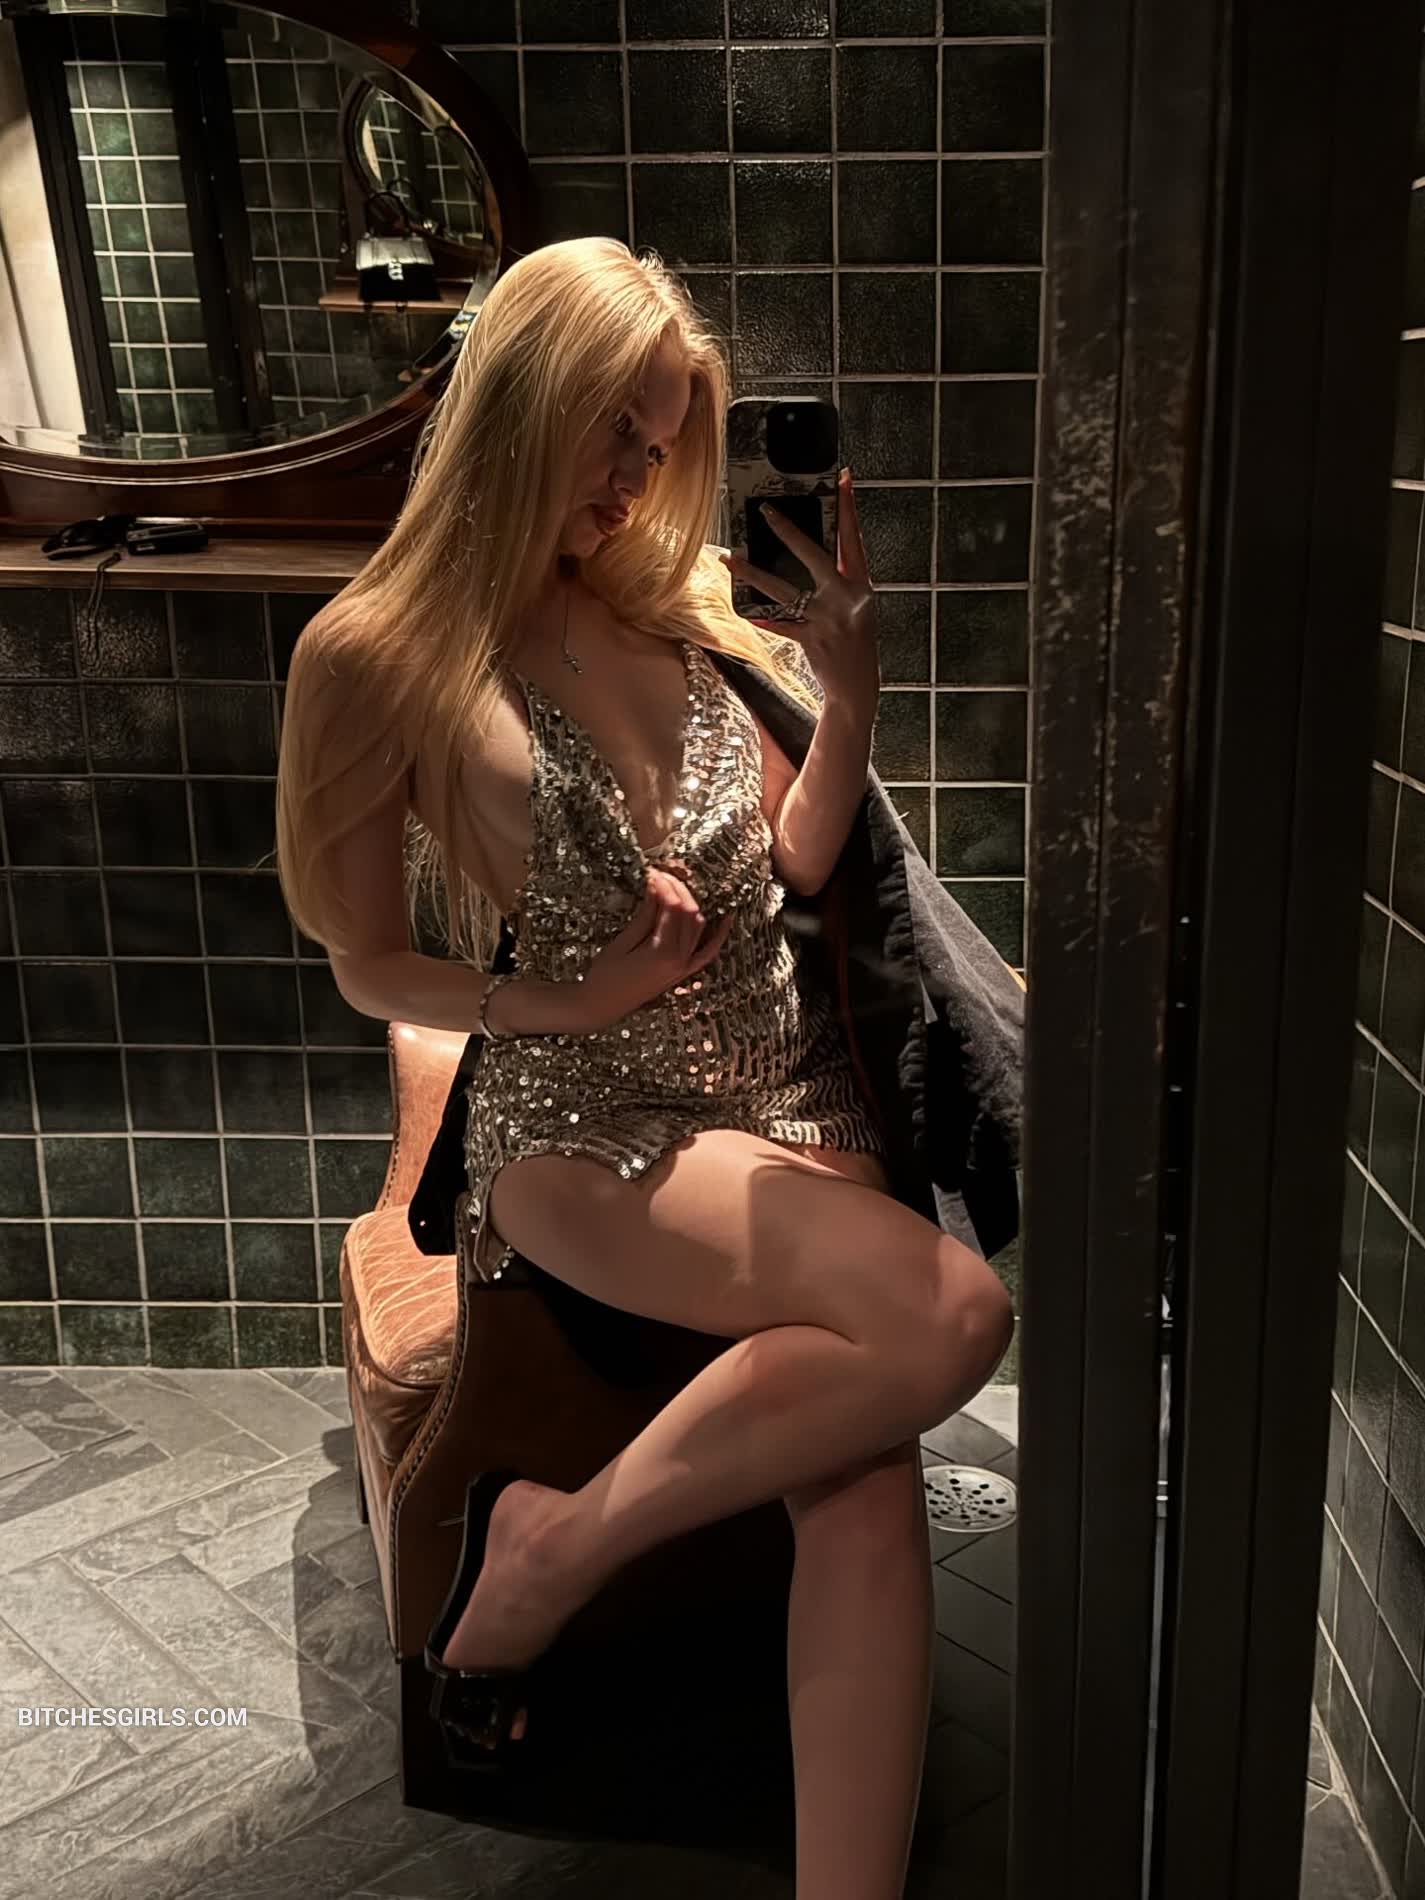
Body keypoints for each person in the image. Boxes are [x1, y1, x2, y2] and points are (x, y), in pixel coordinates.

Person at [275, 235, 1015, 1900]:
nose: (636, 475)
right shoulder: (375, 653)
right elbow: (366, 962)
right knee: (951, 1315)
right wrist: (567, 998)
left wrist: (849, 693)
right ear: (520, 397)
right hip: (585, 1122)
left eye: (662, 439)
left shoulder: (680, 608)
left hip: (793, 1099)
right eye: (613, 428)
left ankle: (563, 1549)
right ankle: (545, 1560)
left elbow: (799, 859)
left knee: (861, 1479)